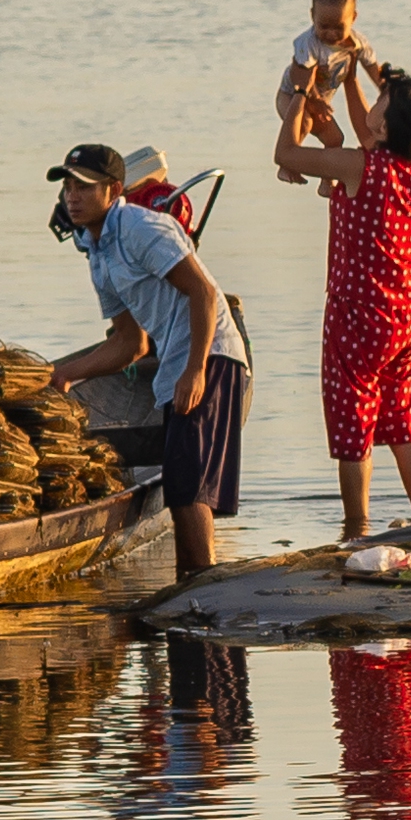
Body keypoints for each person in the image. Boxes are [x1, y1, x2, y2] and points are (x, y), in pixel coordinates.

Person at [44, 142, 250, 578]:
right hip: (174, 364)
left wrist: (195, 370)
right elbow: (130, 344)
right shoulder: (97, 251)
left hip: (209, 353)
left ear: (114, 189)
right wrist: (66, 375)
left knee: (186, 487)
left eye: (83, 187)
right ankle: (195, 578)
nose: (72, 198)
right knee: (181, 483)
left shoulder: (139, 227)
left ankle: (197, 582)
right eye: (67, 188)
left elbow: (203, 292)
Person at [277, 69, 411, 540]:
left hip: (356, 316)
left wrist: (296, 98)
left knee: (353, 430)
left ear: (386, 128)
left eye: (380, 99)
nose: (371, 102)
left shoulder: (362, 167)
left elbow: (285, 153)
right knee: (399, 418)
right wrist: (350, 78)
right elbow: (362, 128)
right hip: (403, 318)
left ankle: (356, 528)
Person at [275, 0, 382, 154]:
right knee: (305, 123)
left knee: (335, 139)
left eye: (339, 27)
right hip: (291, 95)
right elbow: (302, 77)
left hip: (319, 101)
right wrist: (315, 99)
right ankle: (288, 163)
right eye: (324, 26)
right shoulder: (308, 43)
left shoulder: (356, 43)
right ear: (312, 16)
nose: (331, 34)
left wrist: (386, 89)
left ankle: (328, 182)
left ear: (353, 18)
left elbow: (372, 67)